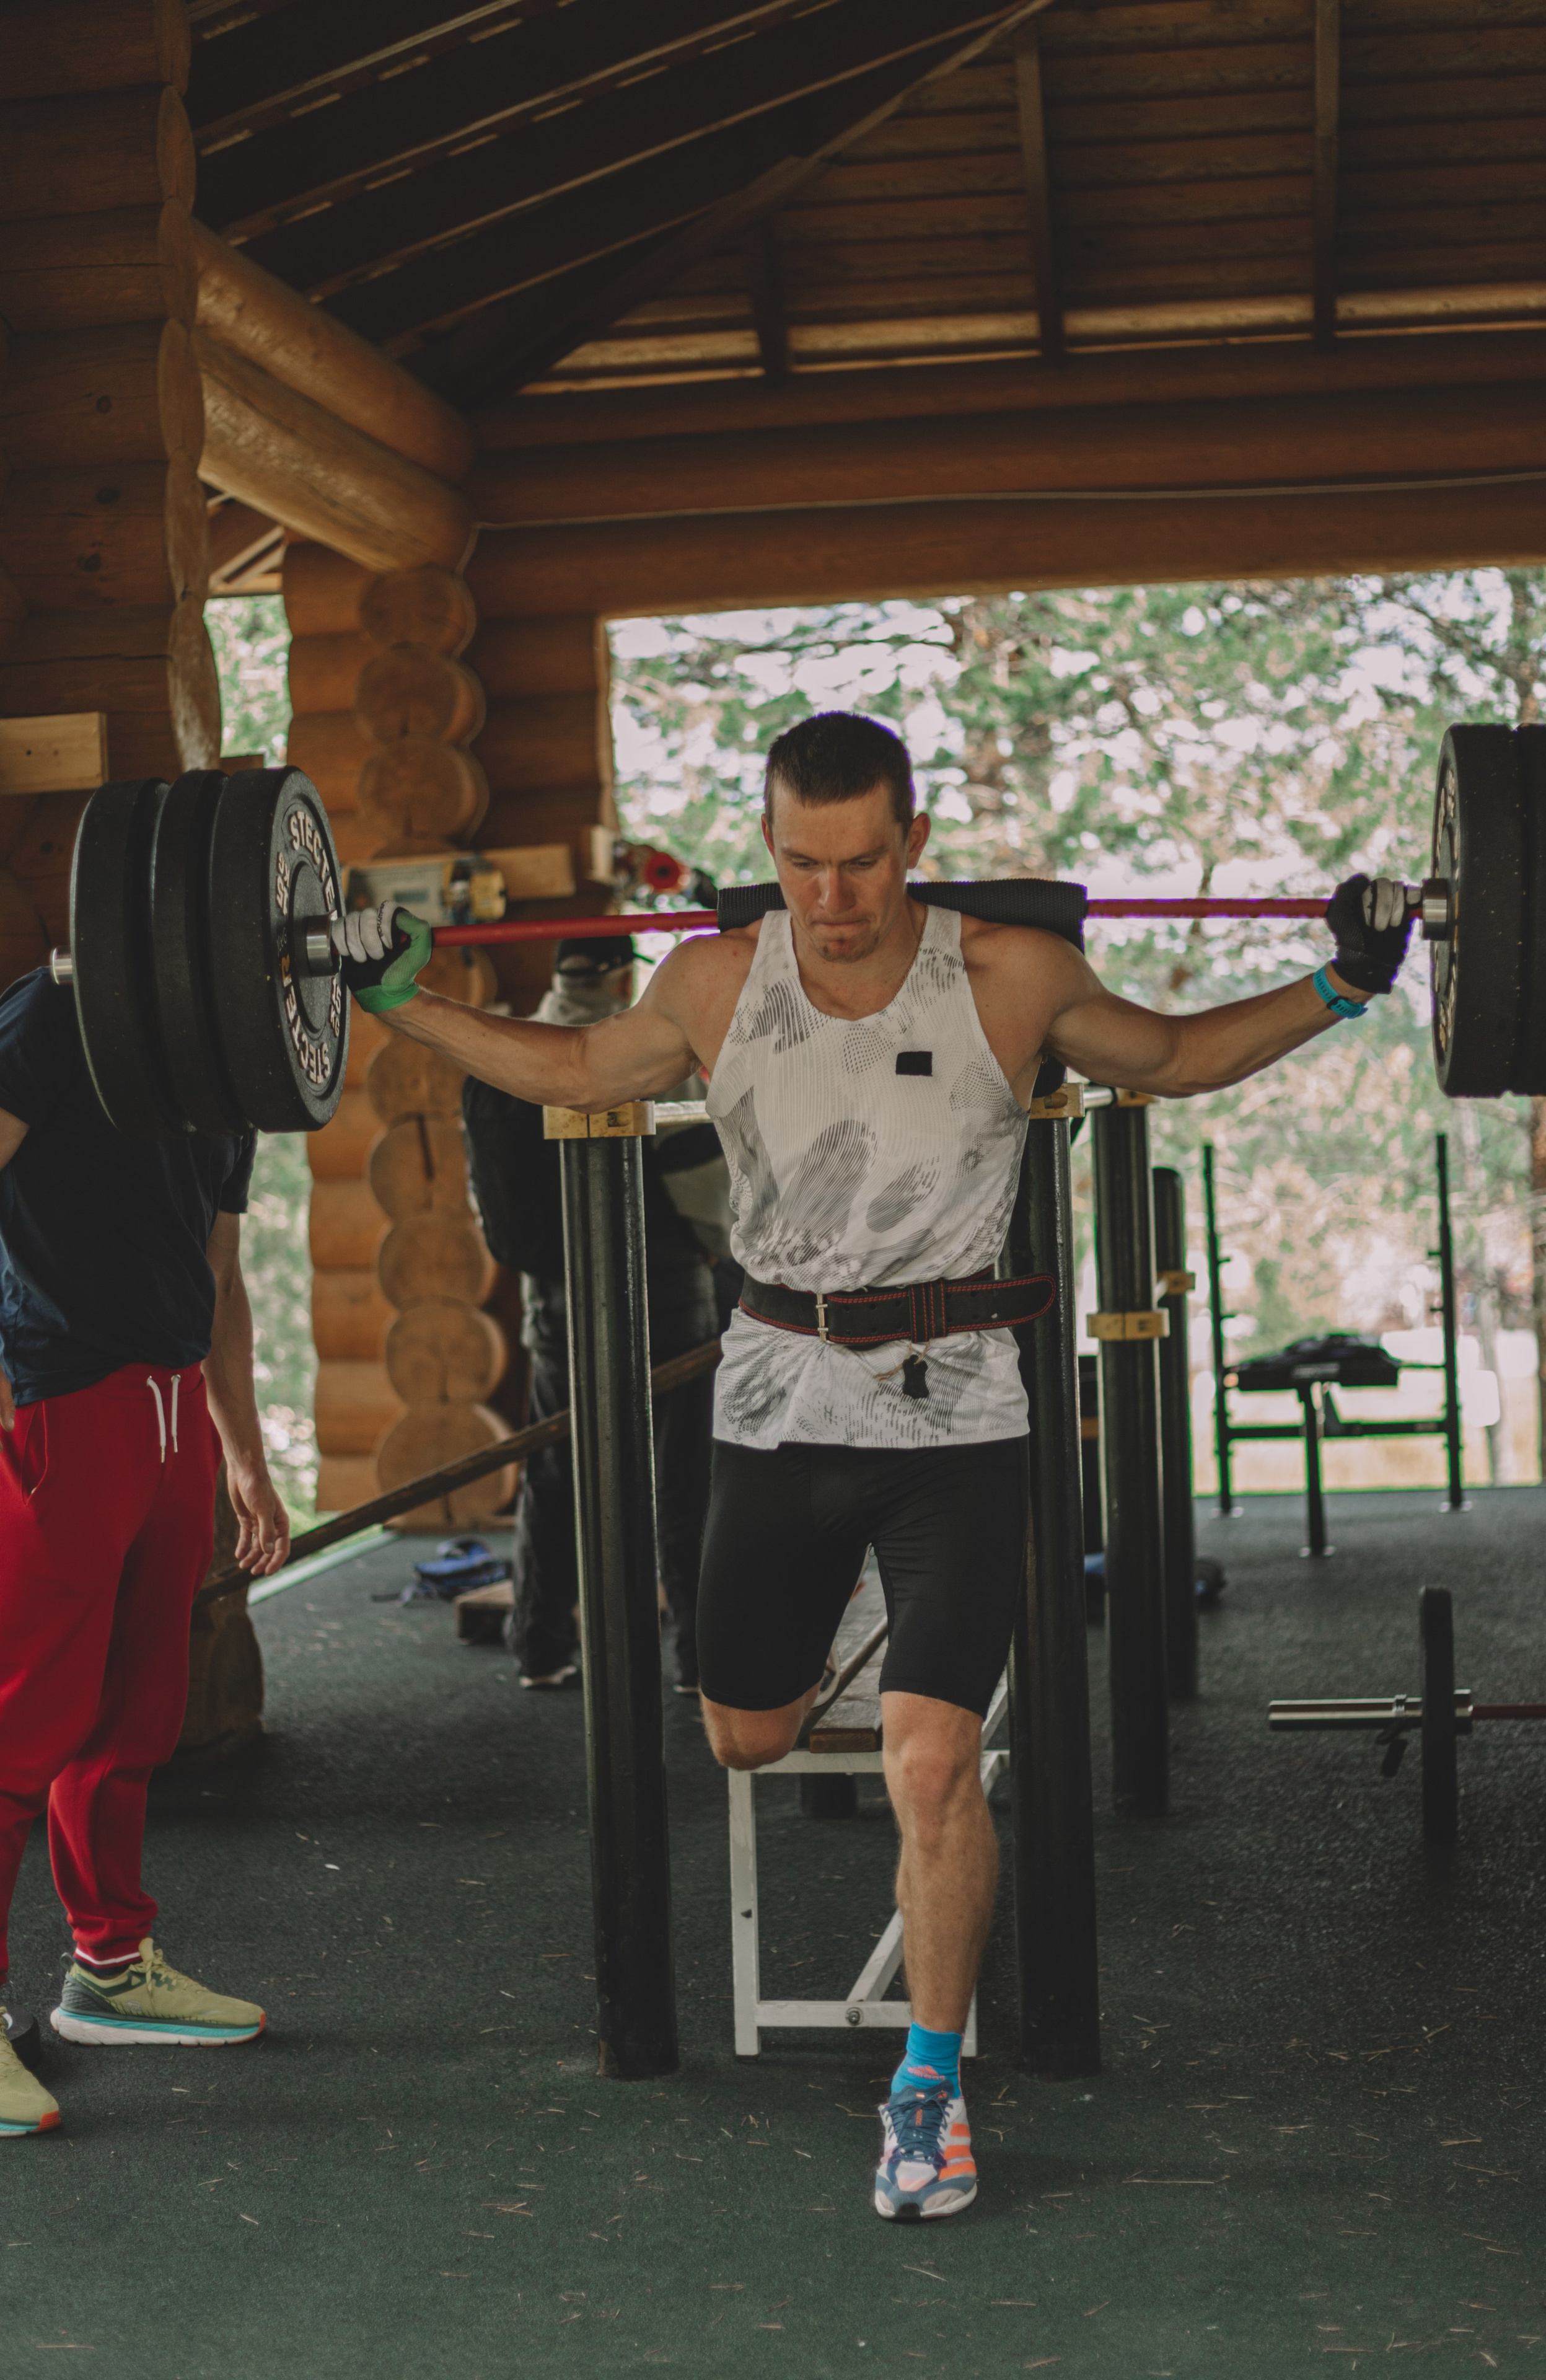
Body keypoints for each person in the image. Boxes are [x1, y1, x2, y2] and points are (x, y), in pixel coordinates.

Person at [331, 708, 1413, 2222]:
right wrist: (401, 1005)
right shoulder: (713, 978)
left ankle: (925, 2088)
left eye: (857, 861)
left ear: (911, 838)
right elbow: (573, 1060)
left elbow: (1168, 1056)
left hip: (954, 1417)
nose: (829, 896)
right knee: (743, 1740)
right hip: (774, 1412)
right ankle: (854, 1637)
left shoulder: (1006, 974)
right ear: (768, 847)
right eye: (798, 862)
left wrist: (1343, 981)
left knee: (927, 1765)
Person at [0, 967, 291, 2140]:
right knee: (18, 1722)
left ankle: (110, 1970)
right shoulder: (53, 1018)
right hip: (57, 1401)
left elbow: (217, 1274)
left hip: (168, 1405)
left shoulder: (235, 1055)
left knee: (132, 1718)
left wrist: (246, 1455)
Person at [459, 936, 723, 1692]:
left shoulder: (509, 1061)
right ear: (619, 975)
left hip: (557, 1297)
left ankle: (541, 1643)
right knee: (685, 1475)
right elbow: (707, 1188)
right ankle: (698, 1660)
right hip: (668, 1291)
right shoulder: (640, 1053)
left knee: (554, 1464)